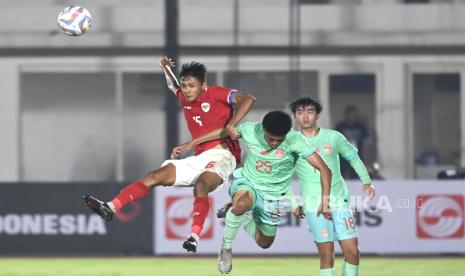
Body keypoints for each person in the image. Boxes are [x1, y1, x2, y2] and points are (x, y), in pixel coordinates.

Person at [83, 57, 256, 253]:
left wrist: (232, 124)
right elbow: (173, 86)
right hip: (199, 157)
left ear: (204, 86)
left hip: (223, 156)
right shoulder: (183, 96)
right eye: (185, 85)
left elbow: (248, 99)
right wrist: (166, 68)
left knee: (201, 186)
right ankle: (110, 207)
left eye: (192, 86)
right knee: (154, 176)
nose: (187, 90)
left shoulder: (216, 93)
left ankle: (194, 236)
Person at [173, 110, 332, 274]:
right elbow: (223, 132)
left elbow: (325, 170)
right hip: (248, 183)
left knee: (264, 243)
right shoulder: (250, 130)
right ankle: (225, 248)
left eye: (280, 140)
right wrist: (192, 143)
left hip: (274, 196)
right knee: (242, 203)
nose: (275, 143)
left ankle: (238, 216)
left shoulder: (296, 140)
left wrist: (325, 203)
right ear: (263, 130)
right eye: (271, 139)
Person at [290, 97, 375, 276]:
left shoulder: (334, 137)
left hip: (339, 202)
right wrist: (292, 202)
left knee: (353, 252)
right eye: (300, 112)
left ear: (318, 115)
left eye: (310, 112)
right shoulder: (290, 141)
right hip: (314, 206)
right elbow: (281, 177)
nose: (305, 117)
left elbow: (353, 157)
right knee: (327, 256)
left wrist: (366, 180)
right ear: (295, 116)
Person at [335, 105, 369, 179]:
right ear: (346, 115)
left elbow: (366, 142)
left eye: (353, 114)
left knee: (357, 176)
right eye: (350, 114)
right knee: (344, 175)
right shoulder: (340, 126)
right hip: (343, 157)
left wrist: (366, 158)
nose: (351, 116)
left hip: (357, 156)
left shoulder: (361, 127)